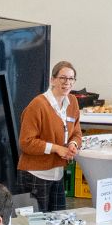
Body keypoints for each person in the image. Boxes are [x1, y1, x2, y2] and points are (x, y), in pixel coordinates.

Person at [15, 60, 83, 211]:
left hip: (57, 174)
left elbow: (77, 133)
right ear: (52, 80)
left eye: (71, 79)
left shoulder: (72, 102)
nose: (67, 83)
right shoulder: (38, 105)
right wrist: (56, 149)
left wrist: (73, 144)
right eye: (63, 78)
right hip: (35, 175)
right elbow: (26, 142)